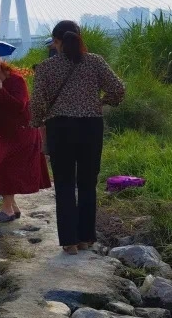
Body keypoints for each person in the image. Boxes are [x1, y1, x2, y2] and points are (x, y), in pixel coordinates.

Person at [31, 20, 125, 255]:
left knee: (63, 183)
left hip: (60, 128)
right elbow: (118, 89)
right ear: (79, 37)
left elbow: (37, 103)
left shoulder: (45, 68)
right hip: (91, 127)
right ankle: (86, 238)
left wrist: (38, 122)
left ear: (57, 42)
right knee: (87, 183)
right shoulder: (95, 62)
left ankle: (69, 242)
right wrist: (101, 102)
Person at [0, 49, 51, 223]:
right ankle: (12, 206)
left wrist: (1, 91)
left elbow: (19, 106)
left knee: (5, 166)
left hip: (21, 131)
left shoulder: (16, 81)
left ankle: (7, 209)